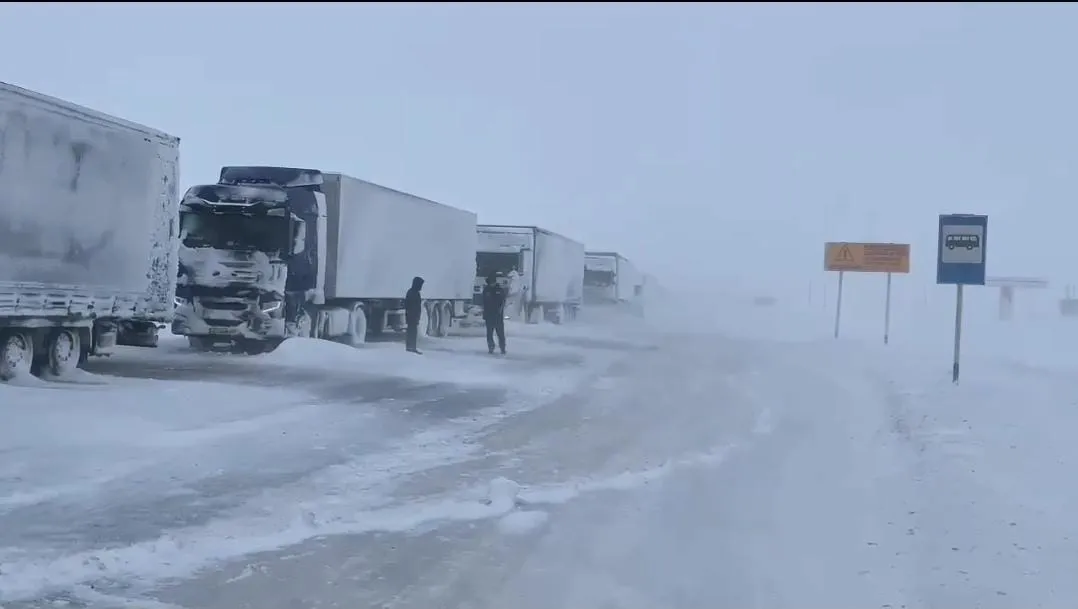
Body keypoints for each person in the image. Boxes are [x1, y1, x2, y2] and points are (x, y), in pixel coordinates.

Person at [482, 274, 507, 354]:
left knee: (500, 333)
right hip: (489, 316)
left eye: (492, 282)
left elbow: (503, 301)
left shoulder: (499, 290)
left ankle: (502, 348)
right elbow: (484, 302)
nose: (491, 284)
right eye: (490, 283)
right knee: (489, 334)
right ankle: (491, 347)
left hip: (498, 316)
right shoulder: (486, 290)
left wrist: (500, 311)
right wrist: (484, 313)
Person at [404, 276, 424, 354]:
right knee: (412, 331)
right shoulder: (415, 293)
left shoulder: (410, 292)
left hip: (411, 315)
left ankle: (410, 347)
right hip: (412, 315)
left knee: (411, 331)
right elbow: (415, 306)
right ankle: (411, 347)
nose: (421, 287)